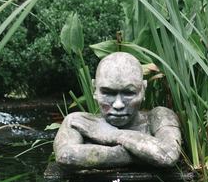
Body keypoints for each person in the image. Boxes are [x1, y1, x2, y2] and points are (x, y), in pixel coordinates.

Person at [52, 52, 180, 169]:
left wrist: (115, 135)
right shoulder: (78, 121)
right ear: (94, 90)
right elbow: (66, 157)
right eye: (108, 93)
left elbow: (167, 156)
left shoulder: (159, 117)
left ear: (143, 90)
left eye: (128, 93)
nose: (118, 105)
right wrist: (143, 154)